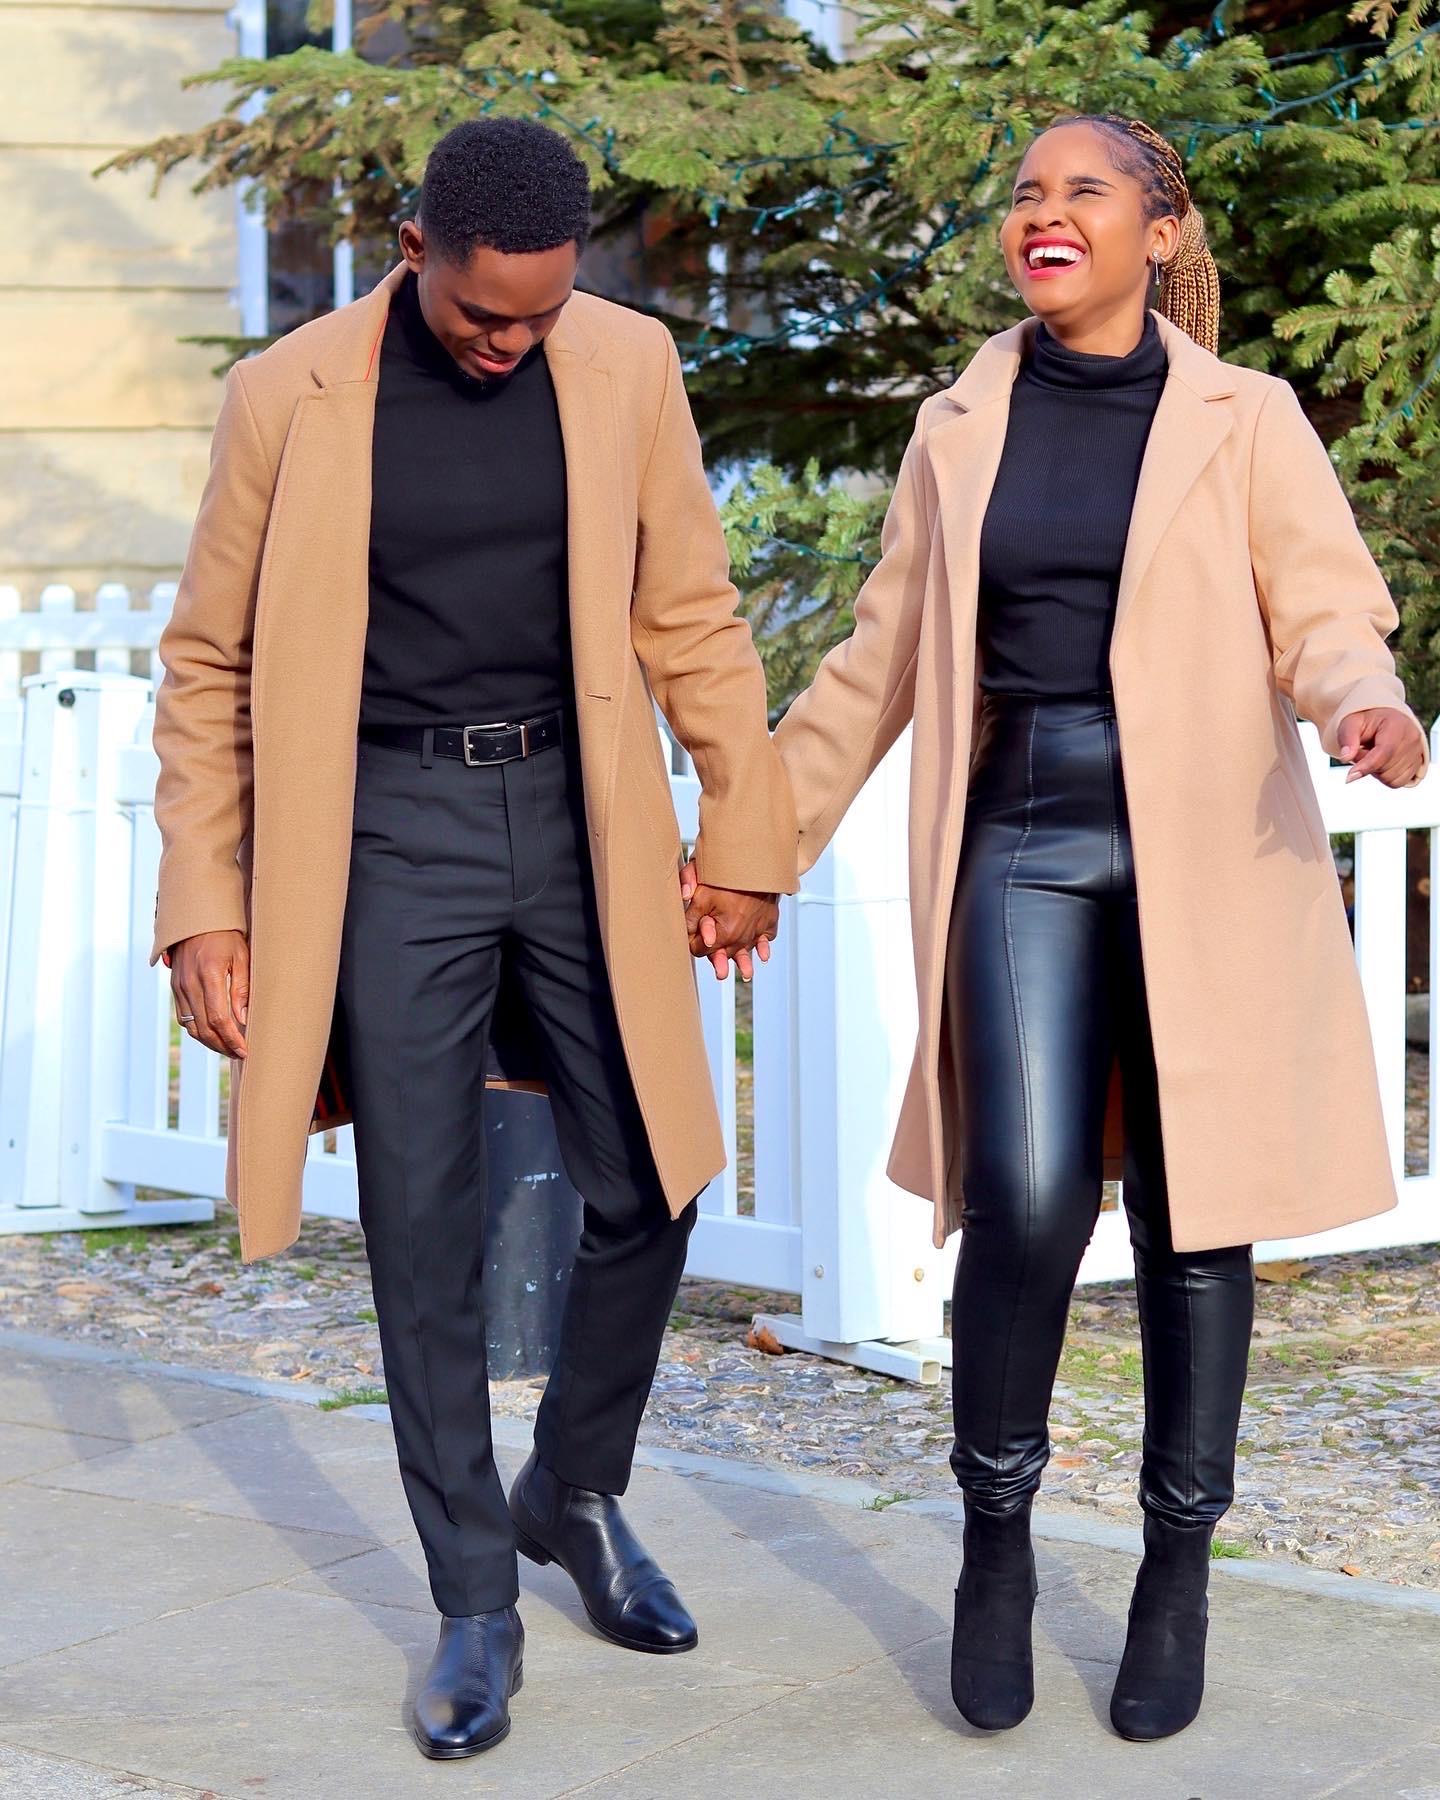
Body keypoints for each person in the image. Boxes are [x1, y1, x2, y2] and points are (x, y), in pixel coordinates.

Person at [687, 113, 1428, 1741]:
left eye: (1085, 190)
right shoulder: (960, 423)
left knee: (1195, 1208)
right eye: (1027, 191)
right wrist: (751, 848)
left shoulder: (1246, 416)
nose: (1046, 210)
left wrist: (1362, 703)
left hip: (1209, 849)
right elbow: (878, 660)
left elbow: (1324, 609)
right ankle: (997, 1543)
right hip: (1022, 829)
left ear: (1159, 232)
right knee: (1021, 1197)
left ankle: (1178, 1569)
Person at [151, 117, 791, 1760]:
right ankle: (474, 1600)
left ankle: (571, 1487)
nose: (513, 342)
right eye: (483, 313)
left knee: (652, 1173)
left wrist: (745, 831)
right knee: (422, 1222)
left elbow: (690, 611)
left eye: (542, 312)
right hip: (384, 833)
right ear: (414, 249)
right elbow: (208, 663)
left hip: (584, 818)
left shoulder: (628, 367)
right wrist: (205, 899)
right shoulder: (290, 395)